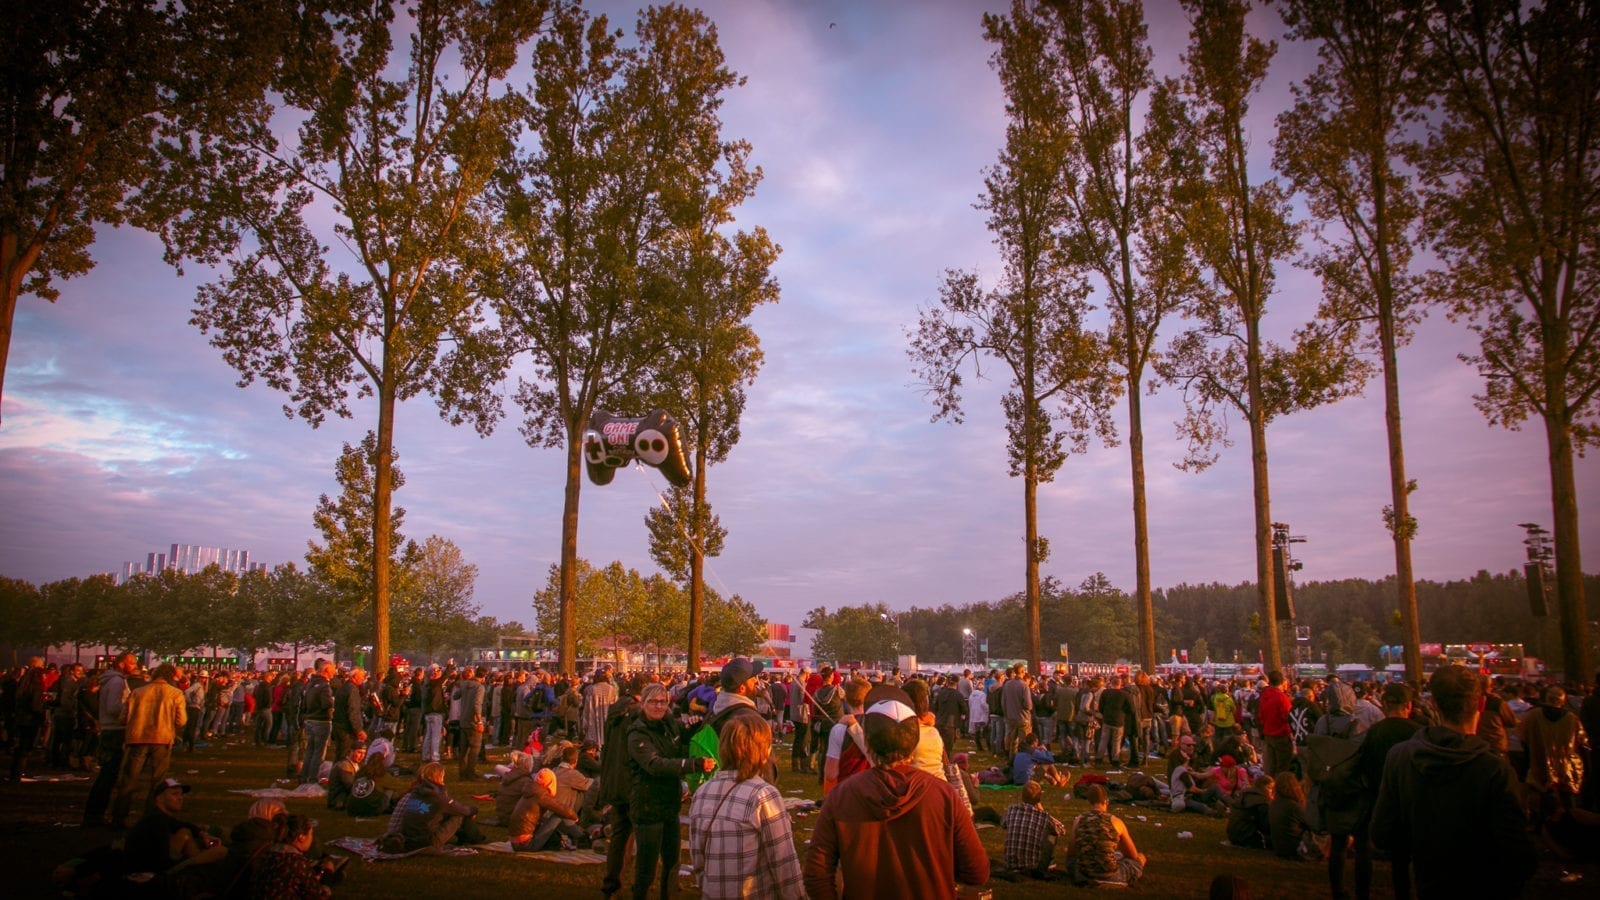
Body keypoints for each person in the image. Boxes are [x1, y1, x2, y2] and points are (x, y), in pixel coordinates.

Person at [803, 684, 989, 899]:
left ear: (869, 742)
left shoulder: (842, 796)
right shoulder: (943, 795)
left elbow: (817, 873)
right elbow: (976, 871)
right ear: (913, 743)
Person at [1371, 665, 1536, 897]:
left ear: (1434, 704)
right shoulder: (1495, 769)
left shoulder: (1400, 757)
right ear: (1479, 704)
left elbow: (1382, 833)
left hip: (1429, 883)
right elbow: (1518, 853)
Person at [687, 714, 805, 899]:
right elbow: (784, 864)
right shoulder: (763, 795)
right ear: (763, 750)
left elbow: (698, 858)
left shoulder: (703, 792)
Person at [625, 682, 713, 899]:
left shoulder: (669, 724)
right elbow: (655, 765)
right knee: (647, 866)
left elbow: (676, 749)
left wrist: (690, 729)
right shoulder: (637, 733)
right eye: (653, 702)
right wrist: (692, 764)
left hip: (670, 803)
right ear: (643, 703)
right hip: (647, 804)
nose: (658, 706)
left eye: (662, 702)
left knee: (673, 861)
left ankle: (669, 894)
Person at [110, 663, 187, 828]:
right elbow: (181, 721)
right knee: (157, 781)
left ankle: (118, 817)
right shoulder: (175, 693)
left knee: (129, 779)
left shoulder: (138, 692)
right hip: (162, 738)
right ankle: (151, 817)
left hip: (138, 738)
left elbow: (123, 717)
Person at [598, 677, 643, 898]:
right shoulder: (635, 715)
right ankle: (638, 884)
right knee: (641, 833)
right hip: (631, 779)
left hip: (614, 778)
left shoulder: (615, 711)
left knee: (619, 834)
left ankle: (612, 883)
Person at [379, 761, 486, 852]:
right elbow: (463, 810)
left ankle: (471, 838)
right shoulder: (438, 797)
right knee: (458, 815)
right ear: (440, 776)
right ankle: (478, 839)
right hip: (427, 841)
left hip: (408, 838)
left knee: (450, 812)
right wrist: (474, 810)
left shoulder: (415, 793)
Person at [83, 652, 138, 828]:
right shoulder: (117, 682)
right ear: (122, 664)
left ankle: (95, 813)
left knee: (108, 774)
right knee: (108, 775)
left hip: (109, 728)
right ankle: (95, 814)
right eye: (132, 663)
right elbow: (113, 707)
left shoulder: (111, 680)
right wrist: (131, 709)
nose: (135, 666)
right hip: (114, 730)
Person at [1063, 782, 1145, 887]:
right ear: (1106, 802)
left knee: (1071, 862)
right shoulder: (1116, 822)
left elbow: (1071, 854)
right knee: (1139, 858)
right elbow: (1132, 855)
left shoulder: (1079, 820)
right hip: (1109, 874)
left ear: (1089, 802)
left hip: (1083, 874)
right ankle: (1108, 880)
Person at [250, 814, 339, 899]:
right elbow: (319, 896)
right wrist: (328, 874)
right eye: (311, 834)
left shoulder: (267, 854)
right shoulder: (296, 863)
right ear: (301, 837)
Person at [507, 766, 581, 853]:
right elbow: (563, 809)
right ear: (550, 782)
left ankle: (574, 838)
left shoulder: (530, 791)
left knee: (549, 818)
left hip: (516, 843)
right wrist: (575, 817)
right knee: (558, 815)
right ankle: (580, 837)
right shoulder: (541, 795)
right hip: (526, 844)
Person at [1001, 780, 1065, 879]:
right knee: (1052, 835)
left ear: (1022, 797)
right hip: (1032, 867)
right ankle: (1045, 865)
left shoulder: (1011, 809)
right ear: (1039, 799)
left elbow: (1003, 824)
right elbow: (1061, 830)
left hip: (1010, 864)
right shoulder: (1043, 816)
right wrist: (1041, 808)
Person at [298, 661, 335, 785]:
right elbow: (326, 704)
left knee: (309, 751)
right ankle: (312, 779)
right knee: (318, 753)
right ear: (326, 671)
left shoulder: (310, 684)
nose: (334, 672)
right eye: (332, 670)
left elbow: (303, 703)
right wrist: (332, 703)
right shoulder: (324, 686)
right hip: (321, 720)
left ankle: (304, 776)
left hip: (309, 720)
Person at [1267, 772, 1314, 861]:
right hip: (1294, 848)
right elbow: (1312, 824)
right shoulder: (1293, 806)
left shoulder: (1274, 804)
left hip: (1279, 848)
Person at [1257, 671, 1293, 776]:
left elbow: (1260, 715)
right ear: (1282, 682)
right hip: (1281, 735)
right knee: (1283, 766)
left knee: (1271, 766)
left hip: (1268, 733)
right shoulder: (1281, 697)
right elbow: (1287, 716)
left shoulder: (1264, 696)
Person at [1226, 774, 1274, 850]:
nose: (1271, 791)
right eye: (1269, 788)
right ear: (1263, 787)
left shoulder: (1245, 794)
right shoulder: (1261, 801)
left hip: (1232, 833)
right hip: (1247, 835)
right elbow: (1265, 826)